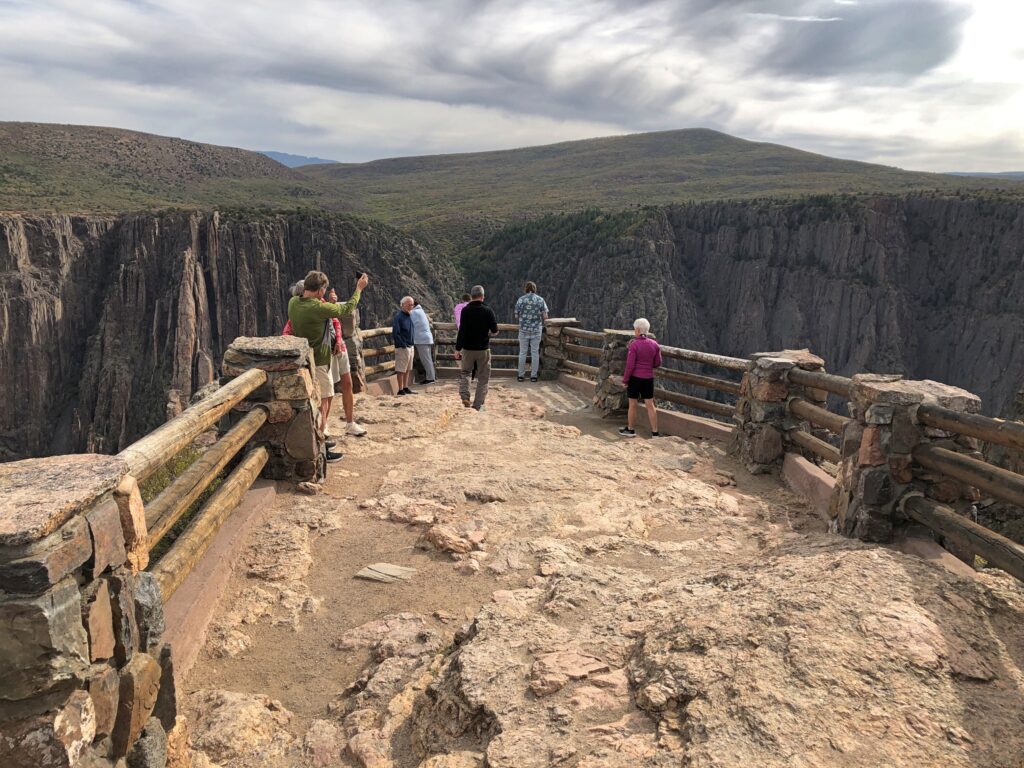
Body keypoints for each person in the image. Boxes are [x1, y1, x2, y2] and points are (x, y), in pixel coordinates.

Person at [288, 270, 368, 461]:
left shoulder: (294, 303)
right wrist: (359, 289)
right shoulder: (316, 307)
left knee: (320, 401)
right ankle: (321, 447)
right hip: (321, 361)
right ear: (319, 291)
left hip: (309, 358)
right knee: (324, 401)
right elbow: (346, 309)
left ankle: (322, 438)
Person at [455, 285, 497, 410]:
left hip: (468, 349)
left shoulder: (465, 310)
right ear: (482, 297)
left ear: (472, 296)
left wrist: (458, 349)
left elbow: (462, 331)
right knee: (483, 378)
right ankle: (478, 405)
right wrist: (489, 333)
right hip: (483, 349)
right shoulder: (488, 310)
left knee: (466, 373)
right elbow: (495, 330)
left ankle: (465, 397)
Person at [619, 318, 662, 438]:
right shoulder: (655, 345)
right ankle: (655, 432)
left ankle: (631, 430)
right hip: (648, 378)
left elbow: (630, 366)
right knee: (650, 404)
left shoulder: (634, 345)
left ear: (638, 330)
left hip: (635, 378)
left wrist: (625, 380)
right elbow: (657, 363)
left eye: (634, 329)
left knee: (632, 404)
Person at [514, 281, 549, 383]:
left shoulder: (521, 300)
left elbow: (516, 315)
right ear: (535, 289)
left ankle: (521, 376)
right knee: (535, 353)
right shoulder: (540, 300)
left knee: (522, 352)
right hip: (536, 330)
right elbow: (545, 316)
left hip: (524, 330)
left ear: (526, 289)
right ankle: (533, 376)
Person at [392, 296, 417, 396]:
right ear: (402, 305)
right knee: (401, 369)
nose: (411, 306)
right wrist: (403, 345)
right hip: (403, 347)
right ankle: (400, 389)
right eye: (409, 304)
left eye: (412, 305)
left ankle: (406, 387)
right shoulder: (398, 317)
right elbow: (396, 333)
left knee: (408, 369)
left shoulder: (409, 316)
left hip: (410, 346)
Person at [410, 300, 436, 384]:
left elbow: (408, 321)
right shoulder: (421, 311)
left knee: (426, 359)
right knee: (428, 359)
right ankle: (431, 377)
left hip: (421, 339)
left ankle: (430, 378)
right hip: (426, 338)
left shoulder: (414, 313)